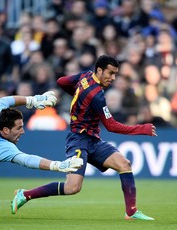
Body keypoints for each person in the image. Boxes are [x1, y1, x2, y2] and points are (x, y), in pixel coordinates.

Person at [11, 55, 157, 220]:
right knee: (72, 187)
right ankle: (25, 194)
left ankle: (131, 211)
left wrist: (79, 97)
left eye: (115, 74)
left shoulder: (85, 76)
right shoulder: (96, 94)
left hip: (93, 140)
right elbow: (111, 126)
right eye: (110, 73)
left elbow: (61, 81)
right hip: (78, 141)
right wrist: (141, 128)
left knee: (124, 164)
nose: (113, 78)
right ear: (99, 70)